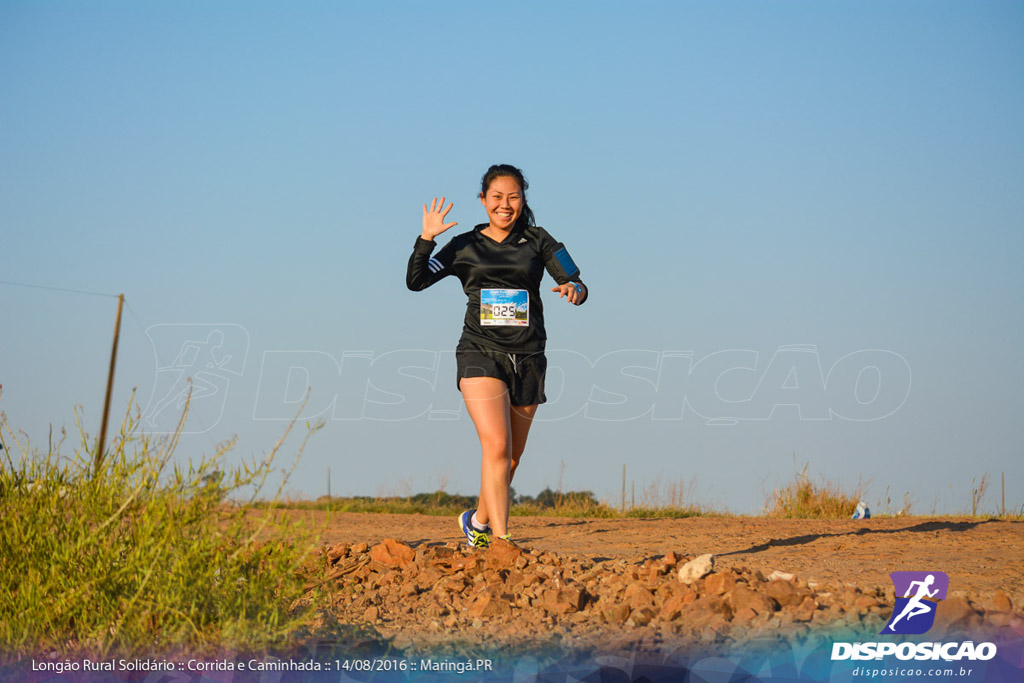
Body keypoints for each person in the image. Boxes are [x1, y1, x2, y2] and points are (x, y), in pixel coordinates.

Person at [406, 164, 588, 547]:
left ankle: (477, 521)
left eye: (514, 197)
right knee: (497, 446)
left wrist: (574, 289)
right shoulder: (464, 246)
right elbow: (416, 281)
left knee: (510, 459)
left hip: (529, 357)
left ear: (522, 200)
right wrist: (426, 238)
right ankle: (500, 541)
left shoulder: (538, 240)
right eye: (497, 197)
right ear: (484, 200)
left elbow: (576, 282)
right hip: (480, 353)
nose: (506, 205)